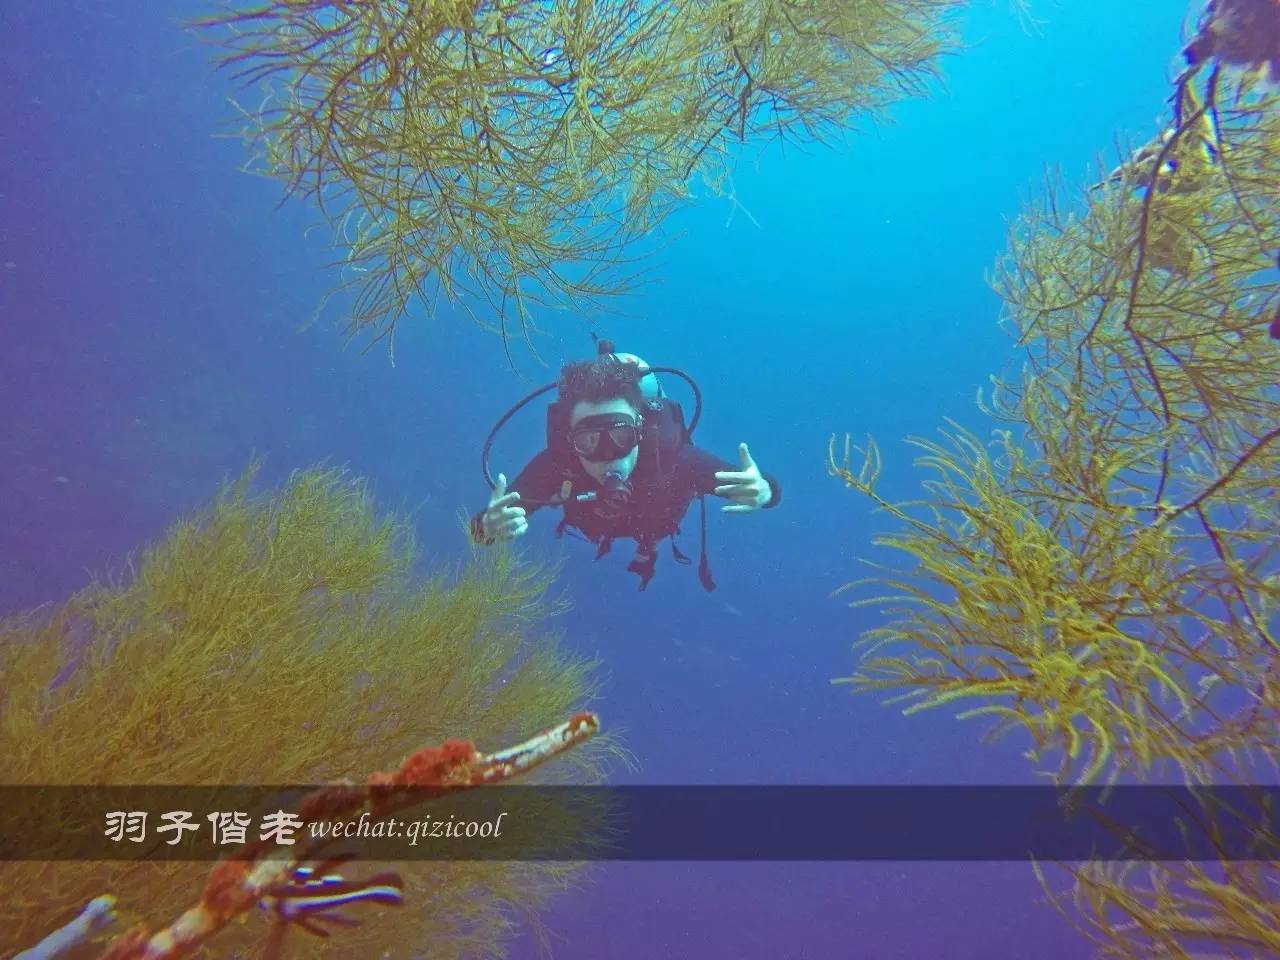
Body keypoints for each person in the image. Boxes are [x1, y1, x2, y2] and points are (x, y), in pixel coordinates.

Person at [471, 346, 781, 591]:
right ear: (570, 440)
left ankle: (650, 546)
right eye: (589, 440)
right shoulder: (556, 465)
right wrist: (489, 526)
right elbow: (481, 529)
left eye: (621, 436)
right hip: (599, 525)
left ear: (641, 431)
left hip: (654, 523)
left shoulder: (675, 458)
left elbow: (763, 489)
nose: (608, 456)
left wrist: (762, 490)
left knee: (652, 535)